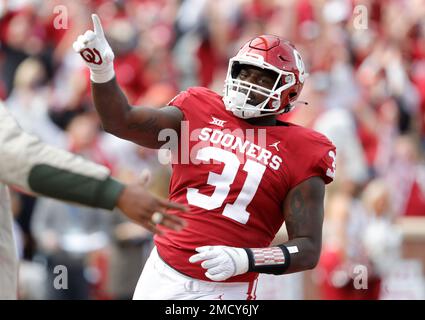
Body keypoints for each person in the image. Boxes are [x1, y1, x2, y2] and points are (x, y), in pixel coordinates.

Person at [73, 14, 336, 300]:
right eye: (245, 72)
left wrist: (246, 259)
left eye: (263, 78)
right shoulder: (198, 108)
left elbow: (307, 249)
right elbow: (119, 121)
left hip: (225, 289)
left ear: (290, 90)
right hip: (161, 273)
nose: (249, 83)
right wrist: (101, 71)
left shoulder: (303, 149)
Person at [0, 101, 186, 299]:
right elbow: (20, 158)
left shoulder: (88, 187)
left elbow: (103, 226)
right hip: (59, 260)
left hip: (83, 259)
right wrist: (116, 192)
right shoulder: (53, 197)